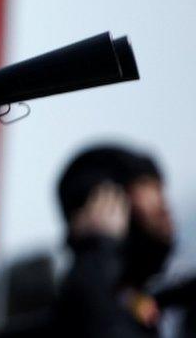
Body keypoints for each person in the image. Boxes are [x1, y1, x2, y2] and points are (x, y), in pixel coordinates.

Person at [54, 144, 175, 337]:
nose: (164, 207)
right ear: (107, 204)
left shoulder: (145, 299)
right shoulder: (89, 297)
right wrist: (98, 246)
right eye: (146, 187)